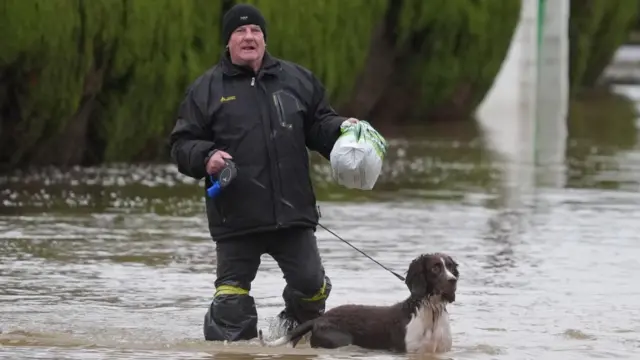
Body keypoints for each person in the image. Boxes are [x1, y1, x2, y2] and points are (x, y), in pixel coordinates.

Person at [168, 3, 360, 342]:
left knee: (313, 290)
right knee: (231, 303)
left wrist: (342, 128)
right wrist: (207, 157)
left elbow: (319, 126)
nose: (248, 36)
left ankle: (287, 335)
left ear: (265, 39)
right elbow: (182, 145)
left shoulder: (298, 80)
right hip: (235, 219)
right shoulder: (206, 89)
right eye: (239, 31)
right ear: (228, 42)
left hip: (293, 215)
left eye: (255, 30)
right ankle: (236, 349)